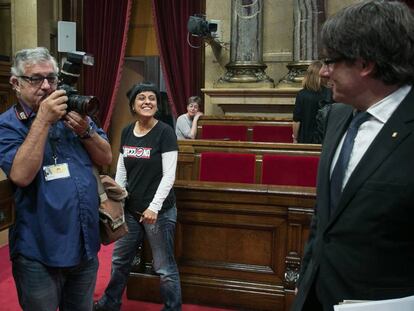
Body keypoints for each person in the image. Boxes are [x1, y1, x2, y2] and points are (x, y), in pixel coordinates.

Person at [292, 1, 414, 310]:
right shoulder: (338, 114)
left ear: (365, 64)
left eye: (331, 61)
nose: (323, 72)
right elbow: (324, 220)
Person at [0, 47, 112, 310]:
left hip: (84, 244)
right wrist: (43, 120)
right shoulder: (7, 125)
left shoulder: (70, 111)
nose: (47, 86)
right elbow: (21, 175)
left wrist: (86, 131)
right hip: (39, 252)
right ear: (16, 83)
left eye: (51, 78)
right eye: (36, 79)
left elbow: (106, 156)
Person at [94, 82, 182, 311]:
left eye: (151, 98)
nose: (147, 102)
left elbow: (169, 176)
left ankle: (173, 308)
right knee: (119, 260)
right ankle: (110, 302)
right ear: (133, 105)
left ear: (157, 104)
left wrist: (153, 207)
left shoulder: (165, 132)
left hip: (158, 212)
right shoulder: (126, 131)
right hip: (131, 211)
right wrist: (119, 201)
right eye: (141, 98)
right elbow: (122, 171)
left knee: (164, 267)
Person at [292, 61, 329, 143]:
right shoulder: (330, 93)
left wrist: (295, 138)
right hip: (324, 139)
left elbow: (297, 120)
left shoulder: (302, 94)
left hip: (305, 139)